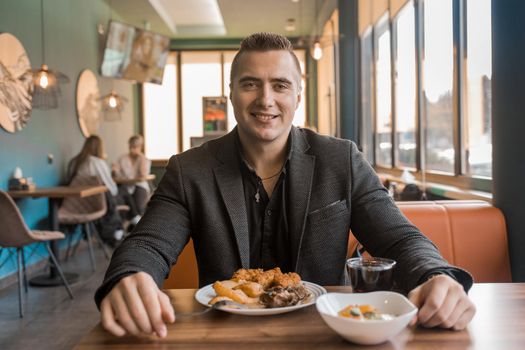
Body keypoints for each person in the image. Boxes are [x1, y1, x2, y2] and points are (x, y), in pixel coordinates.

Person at [96, 33, 476, 338]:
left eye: (280, 85)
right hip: (225, 338)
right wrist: (131, 275)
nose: (266, 99)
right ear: (231, 93)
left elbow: (400, 239)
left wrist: (434, 276)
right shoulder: (189, 169)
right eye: (250, 84)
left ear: (297, 94)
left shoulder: (341, 159)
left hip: (324, 335)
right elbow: (147, 244)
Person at [113, 134, 151, 216]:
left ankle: (137, 221)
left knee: (139, 205)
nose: (132, 149)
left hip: (140, 185)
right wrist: (114, 170)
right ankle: (133, 220)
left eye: (135, 147)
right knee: (120, 201)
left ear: (140, 147)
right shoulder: (122, 158)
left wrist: (141, 158)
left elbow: (142, 176)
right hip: (125, 186)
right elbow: (115, 174)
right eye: (130, 146)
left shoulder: (144, 159)